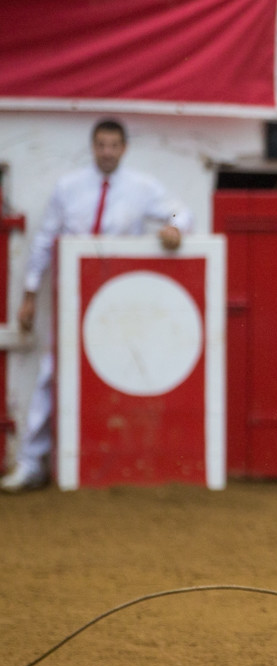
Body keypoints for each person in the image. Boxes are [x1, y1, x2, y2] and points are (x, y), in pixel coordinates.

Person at [1, 119, 193, 492]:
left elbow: (178, 213)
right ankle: (31, 463)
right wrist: (28, 295)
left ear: (123, 149)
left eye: (113, 145)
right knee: (51, 372)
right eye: (101, 145)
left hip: (121, 302)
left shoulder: (142, 188)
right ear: (93, 147)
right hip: (73, 295)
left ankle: (121, 463)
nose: (107, 152)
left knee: (123, 370)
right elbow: (44, 242)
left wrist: (175, 229)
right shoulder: (68, 187)